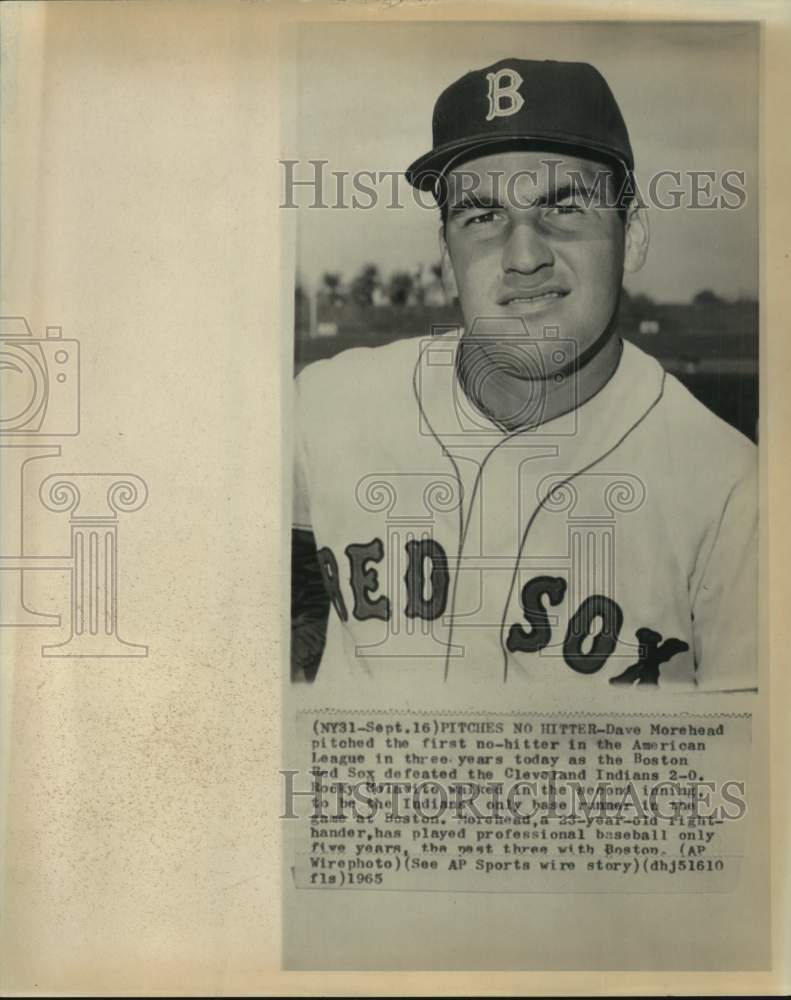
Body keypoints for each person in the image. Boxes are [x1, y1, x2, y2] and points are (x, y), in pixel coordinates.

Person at [291, 58, 757, 693]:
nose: (525, 256)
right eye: (481, 217)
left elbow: (750, 770)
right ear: (448, 263)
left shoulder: (734, 494)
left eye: (564, 207)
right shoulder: (323, 406)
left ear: (635, 235)